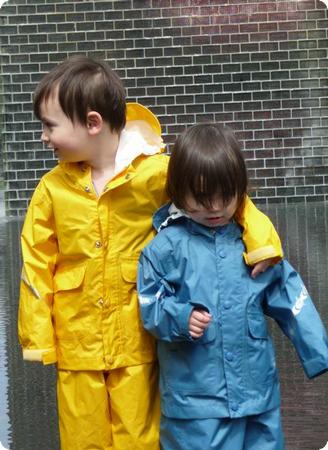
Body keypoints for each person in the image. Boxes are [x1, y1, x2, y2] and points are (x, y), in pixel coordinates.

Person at [18, 55, 283, 450]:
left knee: (140, 436)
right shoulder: (51, 189)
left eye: (50, 126)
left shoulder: (156, 173)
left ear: (92, 123)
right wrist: (38, 335)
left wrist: (262, 239)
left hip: (136, 338)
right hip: (76, 339)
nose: (44, 136)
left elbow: (224, 194)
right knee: (81, 436)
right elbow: (36, 264)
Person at [137, 123, 328, 450]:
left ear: (240, 189)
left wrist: (319, 352)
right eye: (201, 197)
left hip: (258, 396)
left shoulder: (254, 244)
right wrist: (180, 317)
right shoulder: (164, 250)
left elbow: (290, 295)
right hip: (196, 405)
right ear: (177, 190)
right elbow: (148, 303)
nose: (214, 207)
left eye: (226, 196)